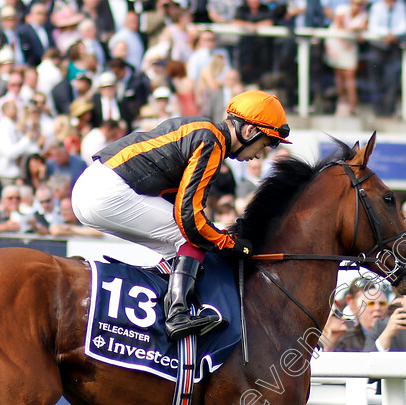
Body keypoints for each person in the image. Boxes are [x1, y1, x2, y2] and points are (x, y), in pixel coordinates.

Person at [71, 89, 291, 341]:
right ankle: (177, 314)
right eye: (264, 145)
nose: (259, 154)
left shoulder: (203, 130)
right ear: (249, 131)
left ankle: (161, 304)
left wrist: (217, 237)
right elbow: (190, 220)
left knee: (181, 249)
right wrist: (229, 243)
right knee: (190, 238)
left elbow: (180, 205)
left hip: (92, 188)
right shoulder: (211, 142)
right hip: (106, 191)